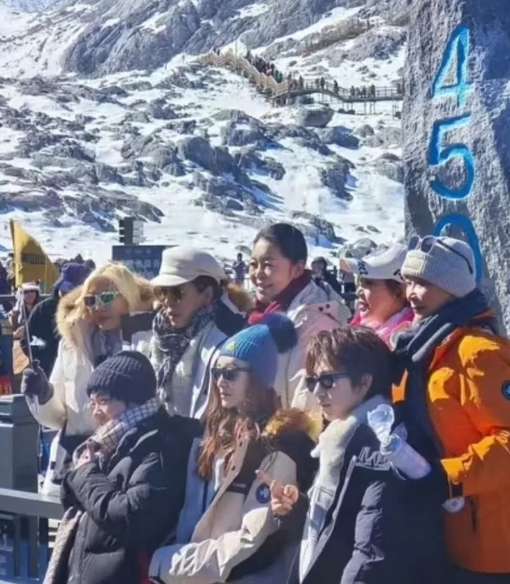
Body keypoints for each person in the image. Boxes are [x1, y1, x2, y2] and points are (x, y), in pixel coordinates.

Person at [394, 236, 510, 577]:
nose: (412, 293)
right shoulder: (427, 345)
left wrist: (448, 478)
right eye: (409, 281)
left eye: (425, 283)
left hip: (487, 539)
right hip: (444, 526)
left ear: (454, 289)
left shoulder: (477, 353)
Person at [149, 318, 316, 584]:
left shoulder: (277, 444)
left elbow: (252, 538)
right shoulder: (213, 432)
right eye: (216, 372)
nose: (220, 382)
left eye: (231, 373)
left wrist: (168, 562)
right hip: (191, 572)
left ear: (259, 377)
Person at [276, 328, 444, 584]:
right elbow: (332, 526)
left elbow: (373, 547)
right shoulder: (338, 438)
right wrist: (296, 507)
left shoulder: (383, 445)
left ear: (364, 382)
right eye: (312, 381)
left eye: (328, 381)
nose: (317, 391)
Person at [44, 352, 195, 584]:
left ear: (133, 400)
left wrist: (85, 473)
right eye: (92, 403)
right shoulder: (107, 442)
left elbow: (131, 517)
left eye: (104, 401)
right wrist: (82, 474)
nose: (95, 412)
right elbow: (74, 500)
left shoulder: (159, 447)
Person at [21, 263, 155, 496]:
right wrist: (43, 396)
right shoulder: (72, 343)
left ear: (129, 296)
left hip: (131, 468)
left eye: (107, 297)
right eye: (91, 301)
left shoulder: (151, 340)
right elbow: (59, 418)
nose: (99, 307)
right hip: (74, 467)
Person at [248, 224, 350, 409]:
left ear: (297, 269)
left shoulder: (313, 322)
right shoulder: (261, 313)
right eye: (253, 264)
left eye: (268, 265)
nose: (257, 274)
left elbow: (306, 404)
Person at [148, 247, 249, 419]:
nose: (168, 301)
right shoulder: (160, 333)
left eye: (178, 292)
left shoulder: (228, 340)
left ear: (207, 295)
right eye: (162, 292)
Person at [24, 262, 88, 377]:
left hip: (80, 373)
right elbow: (27, 341)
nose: (66, 295)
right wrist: (43, 359)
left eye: (72, 292)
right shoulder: (42, 310)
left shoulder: (89, 310)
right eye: (64, 290)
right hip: (48, 373)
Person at [340, 244, 413, 345]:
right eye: (360, 282)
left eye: (369, 283)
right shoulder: (361, 329)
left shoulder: (405, 345)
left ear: (399, 291)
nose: (358, 291)